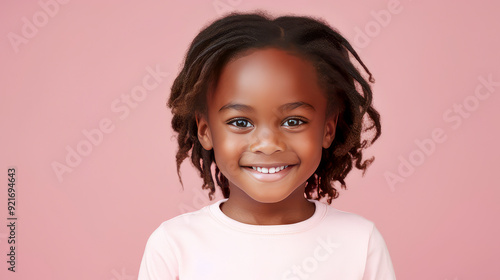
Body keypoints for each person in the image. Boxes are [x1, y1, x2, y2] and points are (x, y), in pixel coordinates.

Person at [138, 11, 396, 280]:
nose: (268, 145)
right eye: (240, 122)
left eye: (294, 121)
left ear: (327, 129)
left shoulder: (359, 242)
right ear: (205, 131)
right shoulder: (173, 246)